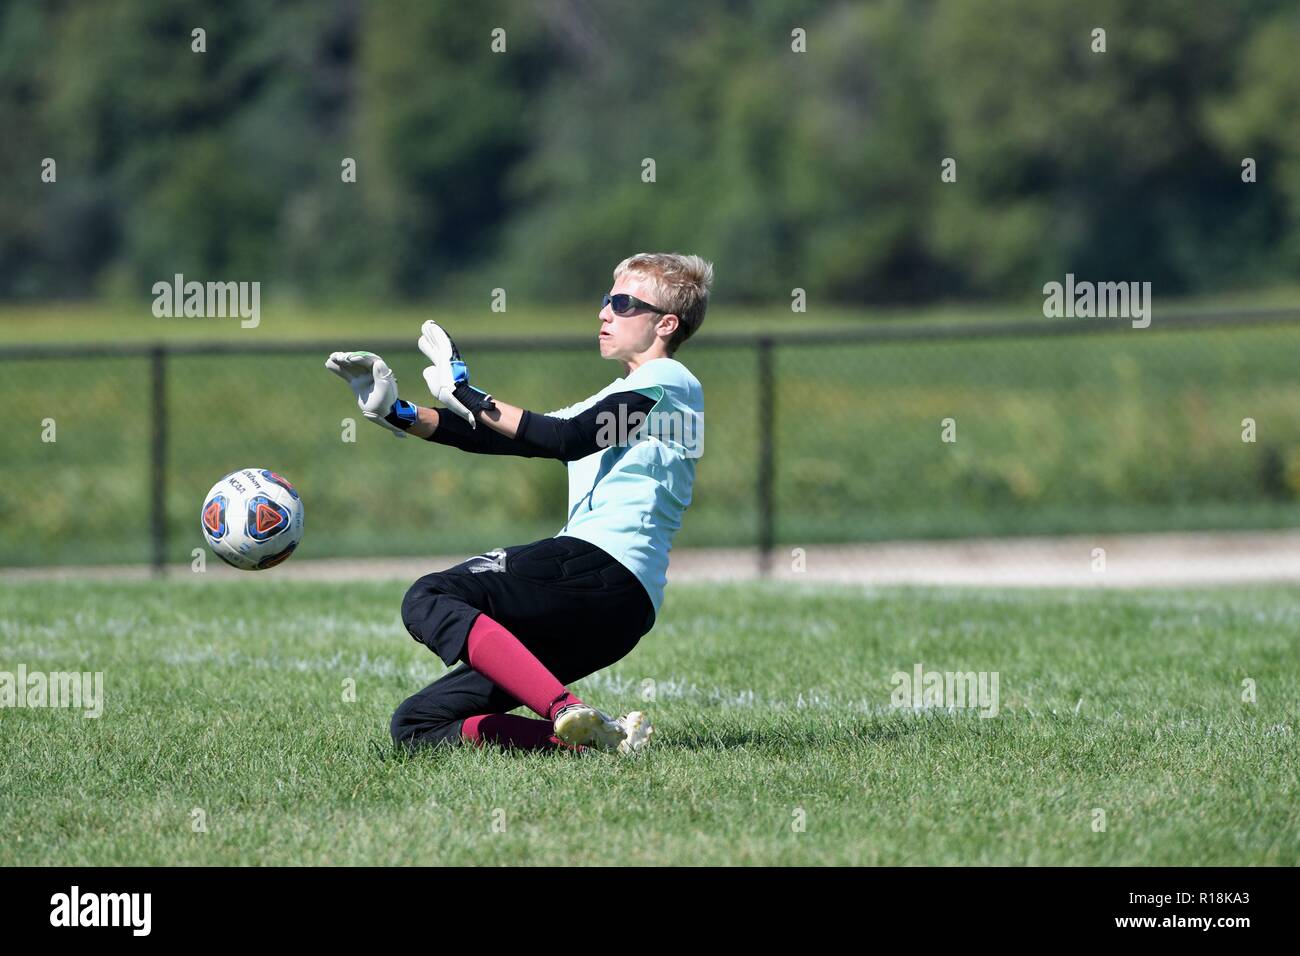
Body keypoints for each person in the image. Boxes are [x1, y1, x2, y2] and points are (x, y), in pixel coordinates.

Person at [326, 253, 710, 754]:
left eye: (621, 303)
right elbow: (516, 437)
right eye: (605, 300)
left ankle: (563, 707)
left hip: (602, 568)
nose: (604, 313)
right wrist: (398, 413)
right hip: (614, 611)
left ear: (665, 323)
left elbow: (569, 438)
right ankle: (598, 744)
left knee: (429, 597)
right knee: (419, 724)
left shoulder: (671, 382)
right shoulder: (624, 395)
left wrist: (466, 389)